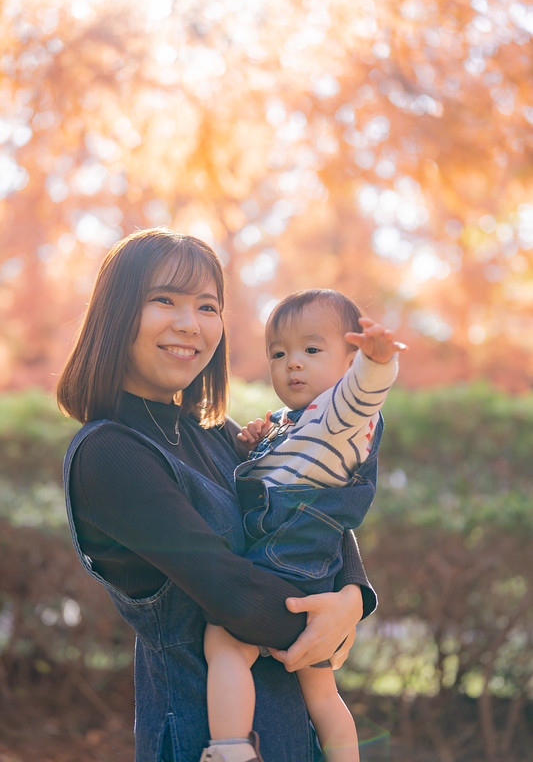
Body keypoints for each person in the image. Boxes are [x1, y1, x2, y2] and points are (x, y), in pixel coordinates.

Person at [57, 228, 379, 762]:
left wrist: (352, 599)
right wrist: (324, 623)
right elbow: (229, 591)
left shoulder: (218, 433)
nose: (191, 324)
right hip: (201, 739)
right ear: (117, 314)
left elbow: (308, 507)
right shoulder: (109, 453)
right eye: (164, 299)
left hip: (295, 733)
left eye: (207, 306)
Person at [204, 289, 407, 762]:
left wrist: (377, 362)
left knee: (226, 644)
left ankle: (230, 749)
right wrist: (253, 444)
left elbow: (365, 391)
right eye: (278, 354)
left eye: (312, 350)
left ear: (349, 361)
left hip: (283, 561)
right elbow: (279, 465)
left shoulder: (341, 412)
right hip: (313, 575)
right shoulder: (290, 421)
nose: (292, 363)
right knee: (322, 693)